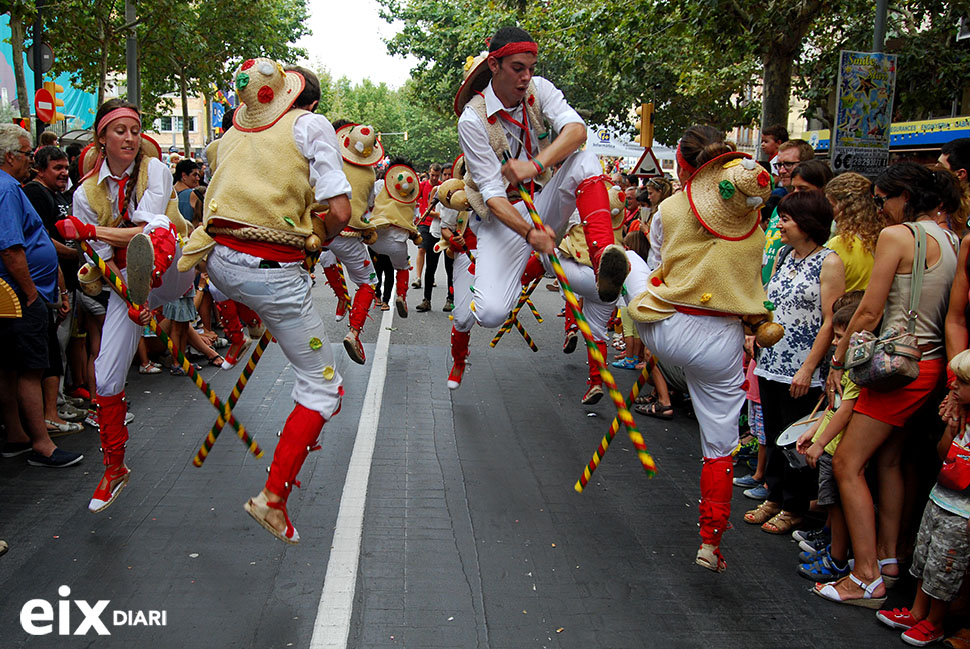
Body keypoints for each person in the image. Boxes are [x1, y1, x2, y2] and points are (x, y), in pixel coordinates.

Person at [178, 58, 351, 544]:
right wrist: (314, 239)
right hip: (269, 274)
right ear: (307, 103)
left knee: (249, 297)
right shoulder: (310, 124)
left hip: (218, 263)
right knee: (324, 390)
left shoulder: (229, 137)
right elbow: (341, 210)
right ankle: (273, 499)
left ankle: (245, 319)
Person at [626, 125, 776, 572]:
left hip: (667, 326)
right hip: (722, 342)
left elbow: (657, 267)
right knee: (720, 447)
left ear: (685, 166)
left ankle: (608, 274)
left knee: (631, 262)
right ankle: (710, 541)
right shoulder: (754, 222)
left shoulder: (669, 208)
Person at [817, 162, 960, 607]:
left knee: (846, 463)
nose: (879, 210)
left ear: (905, 197)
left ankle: (864, 577)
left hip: (897, 367)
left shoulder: (899, 236)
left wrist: (837, 360)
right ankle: (887, 559)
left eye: (881, 201)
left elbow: (868, 312)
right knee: (890, 462)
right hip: (931, 366)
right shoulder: (951, 237)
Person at [57, 99, 194, 511]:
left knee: (160, 228)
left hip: (172, 270)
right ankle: (115, 467)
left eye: (135, 130)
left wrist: (89, 230)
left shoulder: (157, 170)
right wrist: (133, 301)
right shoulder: (85, 193)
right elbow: (101, 257)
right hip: (124, 286)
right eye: (121, 131)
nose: (131, 139)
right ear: (102, 138)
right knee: (106, 373)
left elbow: (145, 231)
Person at [454, 27, 628, 332]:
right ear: (494, 65)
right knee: (491, 314)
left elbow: (577, 131)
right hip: (503, 221)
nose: (526, 77)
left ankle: (602, 260)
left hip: (543, 201)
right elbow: (493, 197)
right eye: (517, 68)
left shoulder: (540, 89)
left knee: (585, 159)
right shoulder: (472, 119)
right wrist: (529, 235)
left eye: (531, 69)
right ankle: (503, 276)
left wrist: (534, 165)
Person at [745, 190, 844, 534]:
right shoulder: (786, 255)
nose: (781, 225)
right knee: (772, 433)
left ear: (808, 223)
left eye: (786, 219)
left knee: (794, 440)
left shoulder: (829, 261)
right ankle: (773, 496)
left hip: (802, 367)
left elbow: (830, 321)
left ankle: (794, 506)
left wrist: (808, 368)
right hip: (770, 359)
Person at [871, 349, 970, 646]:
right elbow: (943, 455)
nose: (952, 385)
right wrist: (951, 431)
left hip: (963, 513)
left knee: (945, 567)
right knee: (925, 558)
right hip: (939, 499)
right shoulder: (960, 418)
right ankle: (917, 611)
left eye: (962, 382)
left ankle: (935, 622)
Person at [0, 123, 82, 468]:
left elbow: (34, 240)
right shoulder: (6, 189)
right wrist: (32, 294)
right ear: (8, 156)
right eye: (25, 154)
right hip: (21, 297)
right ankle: (42, 444)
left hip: (22, 294)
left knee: (11, 369)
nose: (30, 161)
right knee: (31, 369)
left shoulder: (12, 188)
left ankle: (18, 435)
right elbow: (12, 248)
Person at [794, 301, 860, 583]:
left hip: (837, 449)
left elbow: (845, 411)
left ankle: (837, 557)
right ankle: (830, 543)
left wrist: (821, 444)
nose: (834, 343)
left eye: (838, 337)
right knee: (830, 502)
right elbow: (832, 409)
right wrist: (813, 433)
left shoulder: (854, 374)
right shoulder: (841, 373)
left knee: (837, 504)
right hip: (828, 447)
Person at [23, 145, 86, 432]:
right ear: (40, 169)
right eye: (56, 168)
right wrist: (76, 254)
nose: (63, 173)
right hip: (47, 289)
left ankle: (58, 402)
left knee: (61, 347)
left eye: (65, 167)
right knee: (53, 350)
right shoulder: (35, 194)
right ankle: (52, 409)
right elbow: (41, 239)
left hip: (64, 283)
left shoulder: (57, 194)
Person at [320, 120, 383, 364]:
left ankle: (340, 300)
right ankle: (354, 332)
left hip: (322, 228)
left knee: (323, 258)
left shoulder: (328, 160)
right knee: (369, 283)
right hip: (348, 234)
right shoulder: (369, 174)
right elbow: (368, 206)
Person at [368, 158, 422, 317]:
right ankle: (401, 296)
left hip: (376, 239)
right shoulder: (412, 193)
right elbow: (413, 218)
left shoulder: (379, 185)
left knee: (370, 274)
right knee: (401, 268)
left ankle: (355, 327)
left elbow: (369, 203)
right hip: (397, 243)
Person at [824, 172, 883, 292]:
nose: (829, 212)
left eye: (831, 205)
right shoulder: (882, 238)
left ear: (843, 206)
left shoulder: (840, 244)